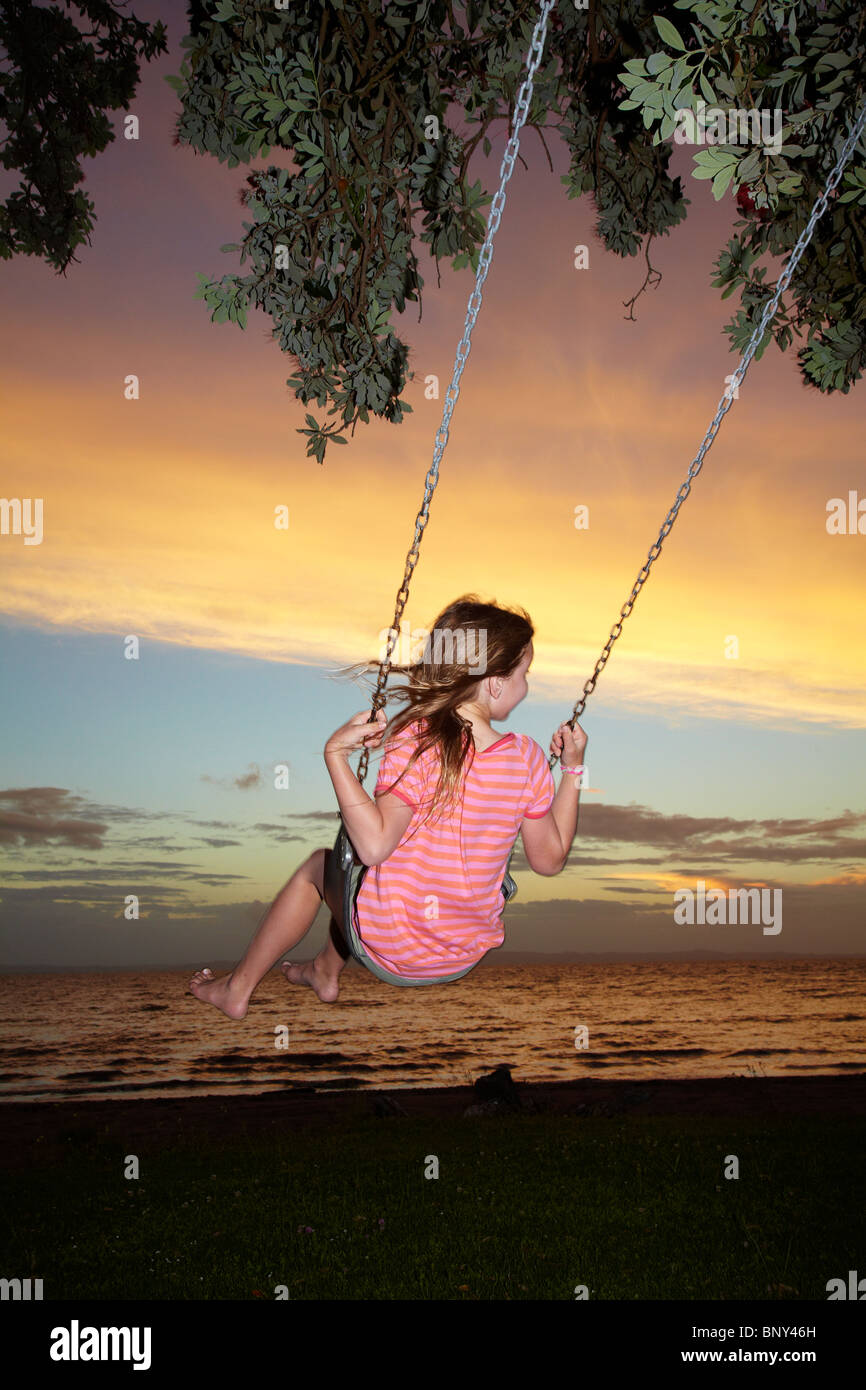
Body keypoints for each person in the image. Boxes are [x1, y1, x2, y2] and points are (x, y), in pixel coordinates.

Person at [187, 596, 586, 1015]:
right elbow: (549, 859)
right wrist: (572, 770)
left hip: (388, 945)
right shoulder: (527, 759)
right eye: (525, 674)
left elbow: (374, 846)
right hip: (462, 954)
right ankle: (325, 969)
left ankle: (238, 988)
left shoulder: (418, 738)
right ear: (496, 682)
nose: (527, 685)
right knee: (361, 873)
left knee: (321, 868)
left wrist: (335, 755)